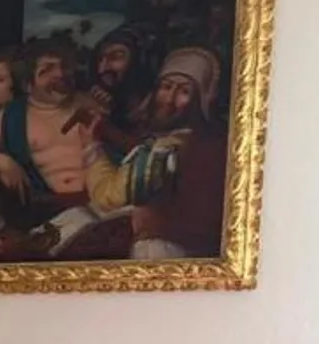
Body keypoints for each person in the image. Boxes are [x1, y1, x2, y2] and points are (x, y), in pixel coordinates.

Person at [79, 47, 228, 260]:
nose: (169, 99)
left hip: (161, 252)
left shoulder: (168, 149)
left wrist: (90, 146)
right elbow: (143, 150)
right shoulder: (204, 140)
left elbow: (108, 197)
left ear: (201, 101)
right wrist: (107, 130)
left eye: (184, 92)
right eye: (166, 87)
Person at [0, 38, 98, 208]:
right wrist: (4, 163)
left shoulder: (87, 103)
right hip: (49, 210)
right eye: (46, 70)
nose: (60, 74)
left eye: (63, 66)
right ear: (28, 85)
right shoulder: (14, 115)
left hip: (99, 204)